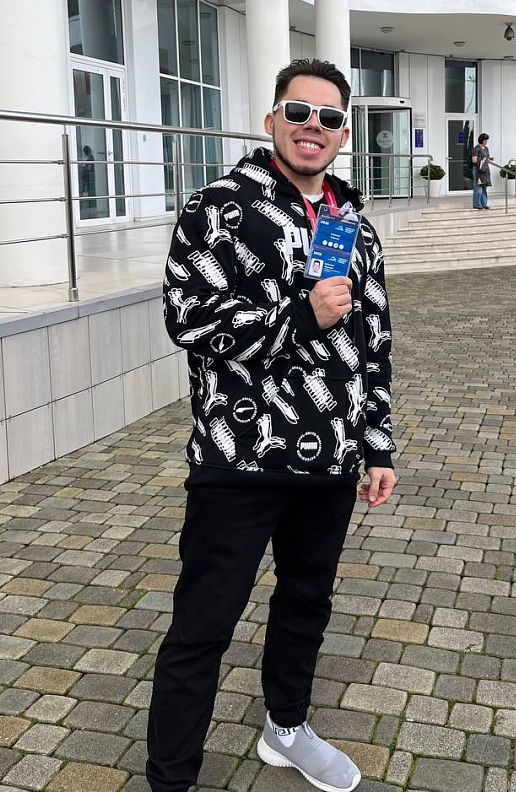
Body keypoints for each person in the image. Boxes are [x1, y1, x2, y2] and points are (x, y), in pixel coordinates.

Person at [146, 58, 397, 792]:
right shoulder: (217, 207)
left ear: (344, 134)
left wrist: (376, 443)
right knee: (203, 625)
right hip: (240, 457)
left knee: (305, 603)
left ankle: (286, 730)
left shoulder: (355, 225)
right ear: (272, 121)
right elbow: (189, 319)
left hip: (331, 462)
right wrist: (297, 316)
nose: (312, 127)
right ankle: (171, 780)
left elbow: (374, 341)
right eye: (298, 111)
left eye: (328, 118)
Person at [471, 133, 492, 209]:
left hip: (485, 170)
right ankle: (477, 204)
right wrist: (482, 160)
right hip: (477, 170)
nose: (486, 142)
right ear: (481, 140)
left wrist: (489, 159)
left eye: (487, 140)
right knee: (478, 187)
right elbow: (474, 160)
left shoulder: (486, 148)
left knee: (484, 187)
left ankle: (484, 203)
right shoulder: (476, 149)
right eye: (485, 140)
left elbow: (487, 158)